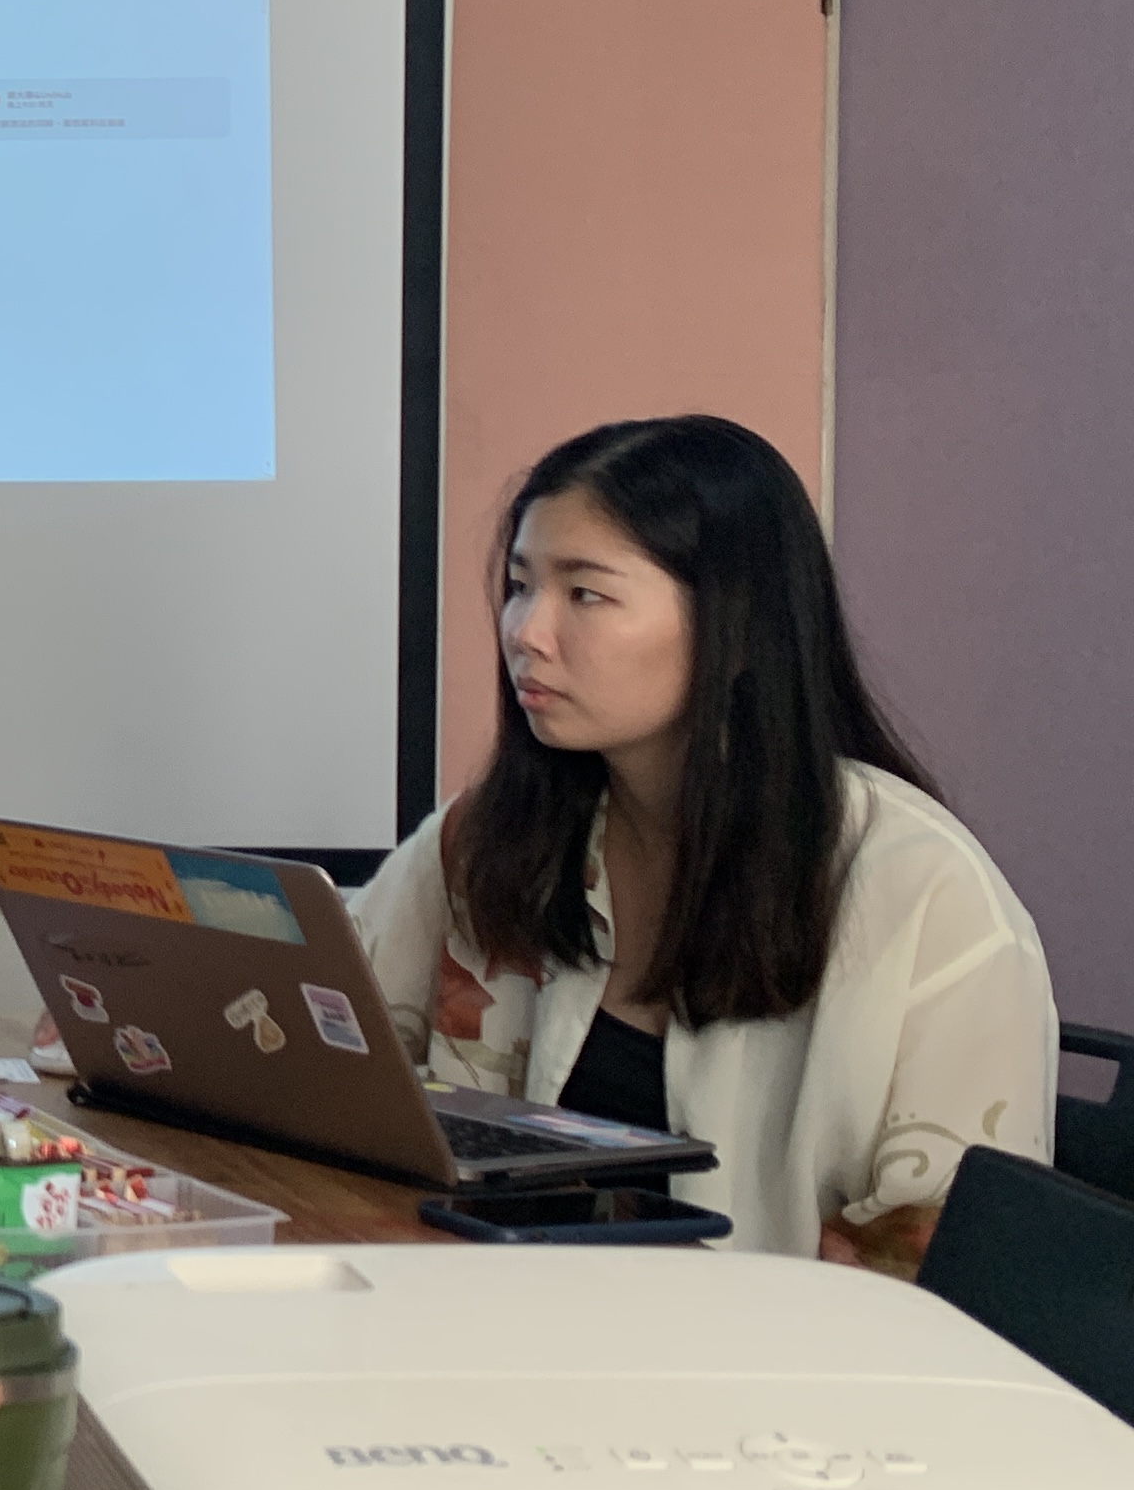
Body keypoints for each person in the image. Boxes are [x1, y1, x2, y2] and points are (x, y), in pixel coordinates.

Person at [357, 413, 1054, 1267]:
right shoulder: (490, 838)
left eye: (584, 594)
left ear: (737, 627)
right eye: (519, 585)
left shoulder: (921, 891)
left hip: (773, 1347)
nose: (525, 632)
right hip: (500, 1316)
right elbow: (326, 1054)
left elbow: (956, 1263)